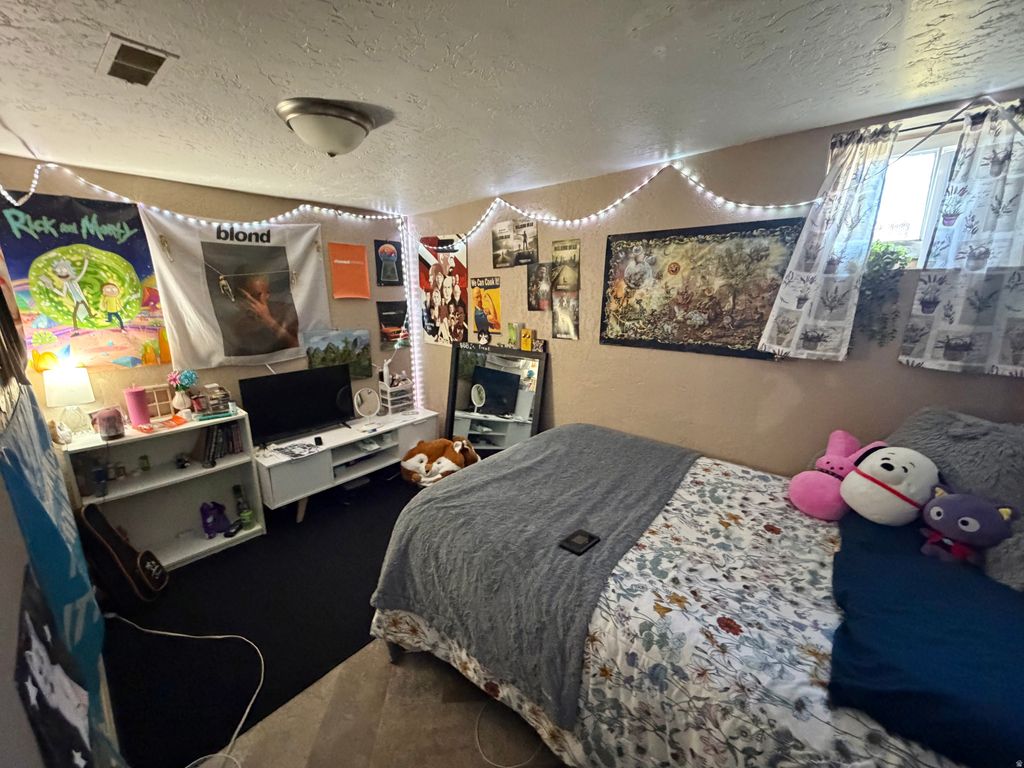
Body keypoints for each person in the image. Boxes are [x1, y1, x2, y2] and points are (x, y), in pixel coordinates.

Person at [224, 274, 298, 355]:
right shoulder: (236, 322)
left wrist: (269, 321)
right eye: (245, 297)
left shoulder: (285, 312)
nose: (250, 301)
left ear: (267, 294)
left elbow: (299, 348)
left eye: (255, 295)